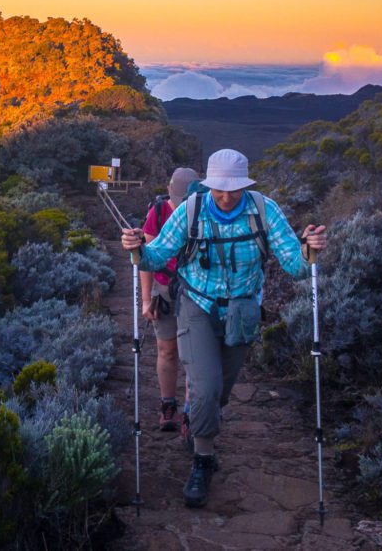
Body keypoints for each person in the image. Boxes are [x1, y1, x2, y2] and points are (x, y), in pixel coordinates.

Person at [121, 148, 328, 508]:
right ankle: (203, 459)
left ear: (246, 185)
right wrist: (137, 248)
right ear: (208, 185)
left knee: (218, 395)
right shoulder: (191, 210)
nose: (227, 196)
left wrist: (310, 250)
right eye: (220, 188)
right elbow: (156, 257)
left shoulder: (264, 210)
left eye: (234, 188)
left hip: (243, 312)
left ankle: (200, 423)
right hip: (197, 307)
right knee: (205, 388)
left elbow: (295, 266)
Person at [141, 168, 203, 437]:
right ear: (169, 190)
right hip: (165, 292)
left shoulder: (203, 211)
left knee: (194, 355)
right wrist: (146, 299)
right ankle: (168, 405)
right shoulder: (158, 213)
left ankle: (191, 411)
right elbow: (146, 259)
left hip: (197, 293)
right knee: (167, 350)